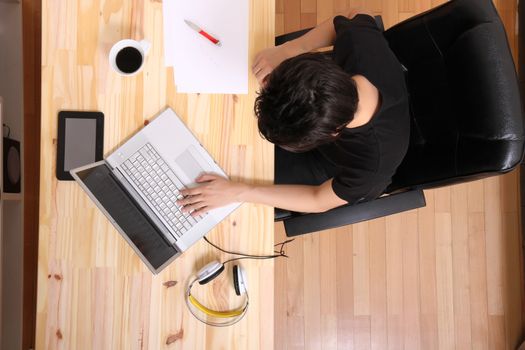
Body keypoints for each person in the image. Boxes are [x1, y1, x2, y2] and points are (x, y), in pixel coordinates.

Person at [177, 10, 410, 216]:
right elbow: (352, 15)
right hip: (320, 127)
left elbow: (318, 200)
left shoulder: (371, 169)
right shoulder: (359, 46)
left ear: (333, 133)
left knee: (223, 166)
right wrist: (289, 49)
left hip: (330, 165)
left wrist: (240, 192)